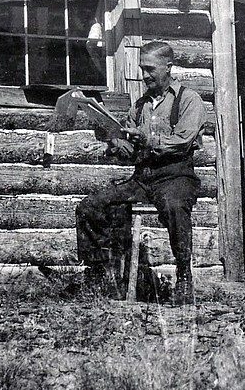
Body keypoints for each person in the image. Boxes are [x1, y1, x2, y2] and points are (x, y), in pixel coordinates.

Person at [75, 40, 207, 305]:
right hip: (143, 177)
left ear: (168, 67)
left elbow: (182, 141)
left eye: (150, 69)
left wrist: (146, 139)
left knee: (175, 206)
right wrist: (115, 143)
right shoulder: (139, 105)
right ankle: (100, 274)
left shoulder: (188, 100)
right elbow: (131, 149)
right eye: (141, 69)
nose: (145, 75)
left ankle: (183, 277)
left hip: (176, 175)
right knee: (90, 207)